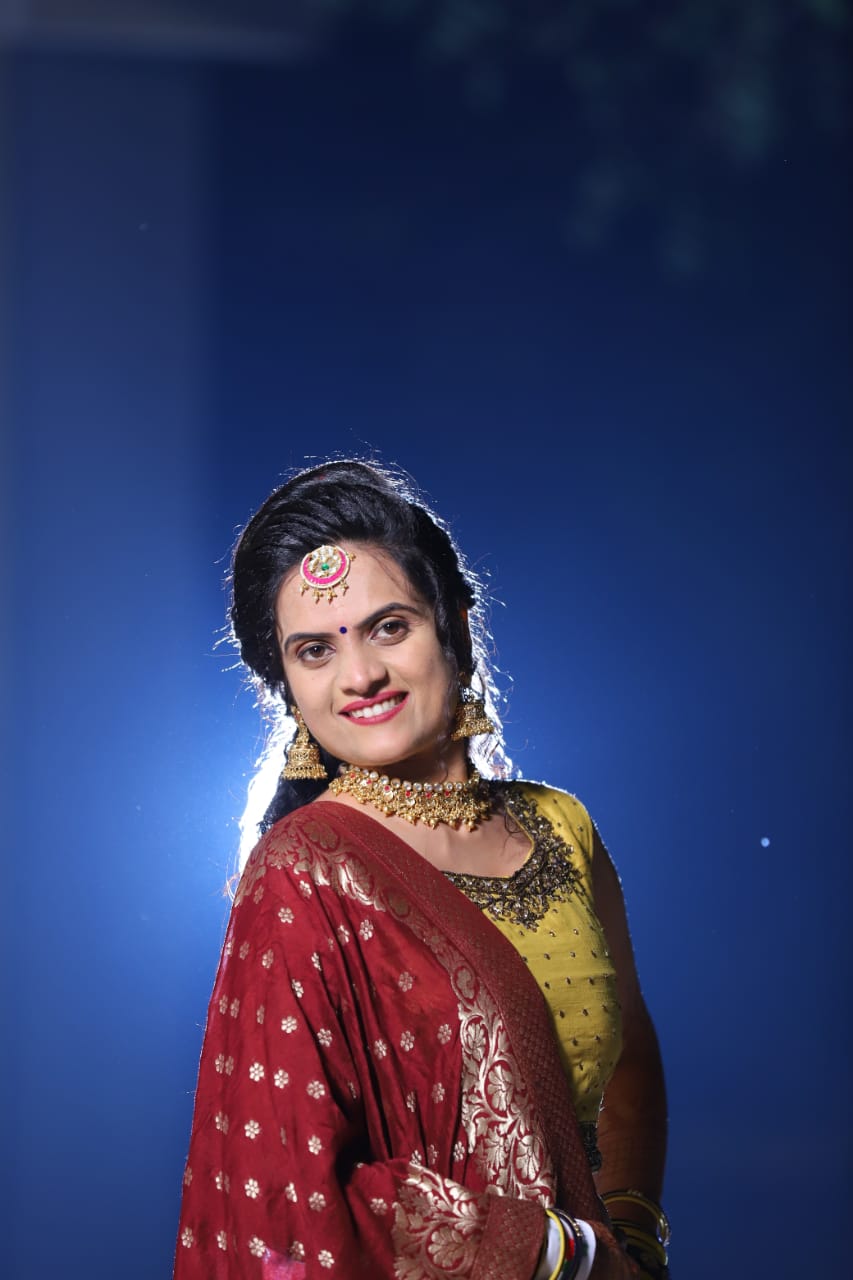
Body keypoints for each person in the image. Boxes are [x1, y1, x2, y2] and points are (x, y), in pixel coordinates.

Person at [174, 459, 669, 1280]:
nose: (359, 676)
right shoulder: (303, 871)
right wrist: (563, 1255)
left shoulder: (558, 826)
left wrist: (633, 1234)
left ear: (454, 626)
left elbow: (629, 1058)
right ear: (288, 686)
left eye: (388, 628)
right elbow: (284, 1188)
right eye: (314, 651)